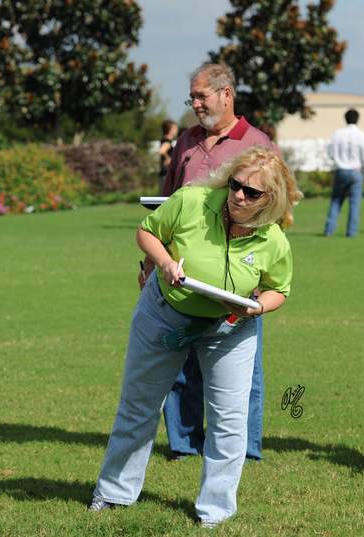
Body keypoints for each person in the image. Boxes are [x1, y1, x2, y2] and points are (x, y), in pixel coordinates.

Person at [90, 146, 299, 528]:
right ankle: (113, 493)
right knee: (140, 404)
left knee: (229, 419)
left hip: (229, 328)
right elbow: (147, 231)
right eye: (236, 185)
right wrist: (166, 262)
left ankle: (215, 511)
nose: (238, 195)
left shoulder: (273, 239)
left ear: (271, 200)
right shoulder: (191, 201)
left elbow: (279, 288)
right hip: (164, 314)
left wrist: (259, 307)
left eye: (252, 193)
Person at [150, 63, 275, 463]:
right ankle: (185, 444)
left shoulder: (257, 143)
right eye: (192, 97)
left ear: (227, 95)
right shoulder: (186, 141)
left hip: (237, 279)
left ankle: (244, 447)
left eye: (201, 96)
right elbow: (166, 207)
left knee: (241, 371)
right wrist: (150, 265)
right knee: (180, 363)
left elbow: (277, 215)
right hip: (181, 279)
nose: (195, 104)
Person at [323, 108, 364, 237]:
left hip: (341, 170)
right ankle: (351, 232)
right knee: (354, 204)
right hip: (356, 171)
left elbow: (330, 152)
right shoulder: (362, 135)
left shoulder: (337, 134)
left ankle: (329, 230)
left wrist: (337, 160)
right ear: (358, 119)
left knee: (336, 201)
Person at [157, 119, 177, 192]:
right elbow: (162, 151)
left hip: (164, 174)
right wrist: (168, 159)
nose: (176, 130)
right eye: (175, 128)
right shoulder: (167, 141)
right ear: (170, 130)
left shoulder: (165, 140)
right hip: (165, 174)